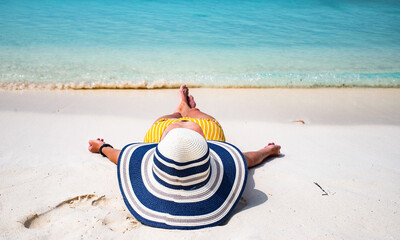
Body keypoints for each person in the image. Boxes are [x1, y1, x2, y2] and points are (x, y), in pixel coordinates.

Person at [88, 84, 281, 230]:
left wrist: (102, 147)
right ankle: (188, 108)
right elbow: (247, 158)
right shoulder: (210, 152)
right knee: (197, 116)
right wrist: (267, 151)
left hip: (165, 137)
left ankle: (180, 108)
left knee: (164, 120)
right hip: (202, 135)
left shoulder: (160, 147)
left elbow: (120, 156)